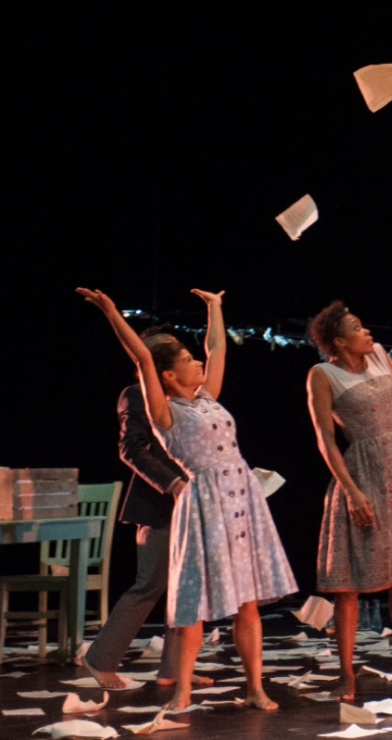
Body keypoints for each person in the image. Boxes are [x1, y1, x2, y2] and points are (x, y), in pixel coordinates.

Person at [76, 287, 297, 713]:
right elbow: (142, 359)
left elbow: (217, 352)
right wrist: (111, 311)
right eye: (186, 360)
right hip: (202, 501)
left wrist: (215, 308)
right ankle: (178, 690)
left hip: (241, 500)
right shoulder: (166, 412)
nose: (197, 361)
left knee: (248, 601)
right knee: (187, 599)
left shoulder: (205, 397)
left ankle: (253, 687)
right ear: (169, 376)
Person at [307, 302, 392, 702]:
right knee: (349, 583)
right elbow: (325, 438)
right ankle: (347, 676)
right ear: (338, 341)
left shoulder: (381, 355)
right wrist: (351, 490)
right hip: (362, 473)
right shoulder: (323, 374)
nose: (367, 332)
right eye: (358, 328)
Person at [80, 362, 215, 690]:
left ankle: (173, 669)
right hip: (159, 502)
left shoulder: (188, 396)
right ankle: (100, 658)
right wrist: (172, 484)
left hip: (194, 502)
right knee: (150, 582)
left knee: (186, 590)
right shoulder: (136, 395)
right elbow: (132, 450)